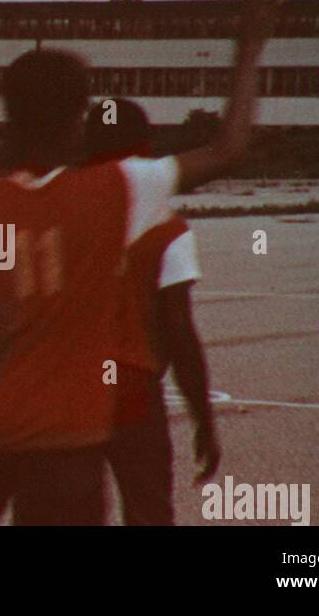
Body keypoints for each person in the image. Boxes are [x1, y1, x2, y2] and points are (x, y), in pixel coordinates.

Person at [0, 0, 289, 525]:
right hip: (67, 436)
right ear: (77, 118)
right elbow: (228, 148)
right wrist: (251, 42)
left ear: (10, 118)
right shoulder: (117, 189)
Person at [84, 98, 220, 525]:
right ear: (146, 147)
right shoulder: (168, 232)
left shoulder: (63, 214)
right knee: (147, 511)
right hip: (130, 385)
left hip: (66, 382)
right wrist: (203, 416)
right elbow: (179, 330)